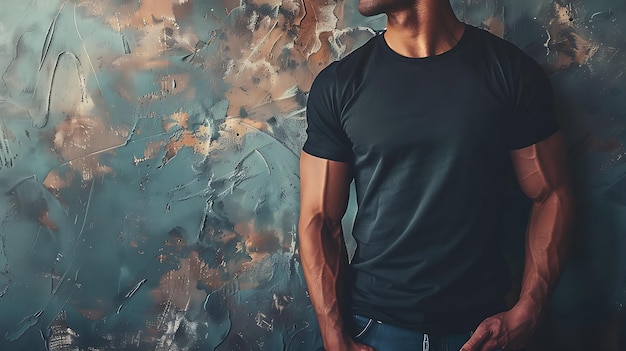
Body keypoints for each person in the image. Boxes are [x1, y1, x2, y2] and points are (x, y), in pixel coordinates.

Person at [297, 0, 574, 350]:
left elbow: (551, 194)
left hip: (481, 332)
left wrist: (530, 308)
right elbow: (319, 219)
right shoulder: (340, 84)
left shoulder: (510, 72)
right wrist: (333, 333)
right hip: (374, 328)